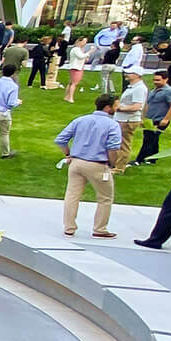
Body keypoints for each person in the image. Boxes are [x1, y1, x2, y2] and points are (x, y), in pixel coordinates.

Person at [55, 93, 126, 238]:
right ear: (108, 107)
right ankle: (100, 229)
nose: (117, 108)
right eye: (116, 105)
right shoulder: (112, 125)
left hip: (76, 163)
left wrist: (67, 154)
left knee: (72, 195)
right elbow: (113, 148)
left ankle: (69, 227)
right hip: (98, 165)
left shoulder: (80, 120)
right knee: (105, 197)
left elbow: (60, 139)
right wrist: (112, 164)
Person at [129, 69, 171, 166]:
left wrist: (166, 119)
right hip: (150, 119)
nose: (155, 82)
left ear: (166, 79)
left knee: (149, 139)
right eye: (154, 80)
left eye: (158, 80)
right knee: (153, 140)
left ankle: (139, 159)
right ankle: (153, 159)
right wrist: (143, 118)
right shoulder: (153, 90)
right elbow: (147, 104)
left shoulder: (169, 91)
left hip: (160, 120)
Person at [113, 69, 147, 168]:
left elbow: (137, 107)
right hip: (122, 119)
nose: (126, 74)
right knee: (118, 143)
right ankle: (115, 164)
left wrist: (119, 108)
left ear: (137, 75)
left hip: (128, 120)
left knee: (124, 145)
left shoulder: (139, 88)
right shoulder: (132, 87)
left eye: (129, 73)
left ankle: (119, 168)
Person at [62, 37, 92, 103]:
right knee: (74, 83)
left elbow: (84, 58)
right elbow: (81, 56)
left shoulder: (79, 49)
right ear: (79, 41)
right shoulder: (76, 49)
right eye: (84, 41)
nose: (85, 43)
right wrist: (90, 52)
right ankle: (70, 97)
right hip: (76, 67)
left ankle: (67, 96)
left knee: (71, 82)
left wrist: (86, 55)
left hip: (78, 67)